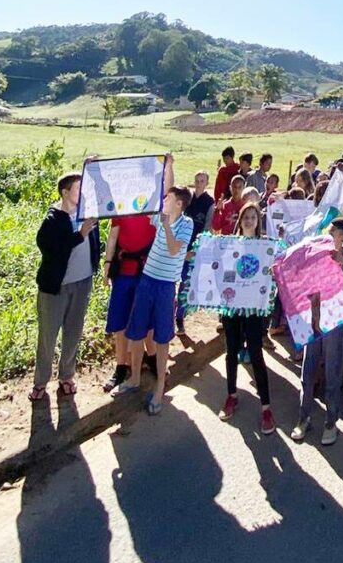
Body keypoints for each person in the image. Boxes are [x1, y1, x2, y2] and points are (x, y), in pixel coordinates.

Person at [118, 160, 193, 415]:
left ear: (179, 204)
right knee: (136, 332)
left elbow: (174, 250)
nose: (165, 200)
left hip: (165, 288)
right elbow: (166, 186)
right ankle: (136, 377)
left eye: (169, 199)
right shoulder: (160, 215)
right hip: (147, 280)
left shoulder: (186, 223)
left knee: (162, 338)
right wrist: (169, 164)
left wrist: (168, 225)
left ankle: (160, 386)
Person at [30, 171, 100, 401]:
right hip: (56, 288)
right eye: (78, 189)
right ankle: (41, 382)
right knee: (48, 336)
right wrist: (79, 235)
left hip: (82, 283)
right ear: (65, 192)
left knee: (73, 332)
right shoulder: (53, 219)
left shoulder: (88, 214)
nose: (83, 193)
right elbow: (51, 249)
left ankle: (67, 376)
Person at [291, 218, 343, 447]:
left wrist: (342, 262)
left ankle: (331, 421)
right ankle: (303, 417)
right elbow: (299, 278)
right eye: (330, 232)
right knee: (308, 371)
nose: (329, 236)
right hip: (312, 319)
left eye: (335, 234)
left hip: (333, 324)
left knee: (333, 372)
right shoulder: (314, 255)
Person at [217, 202, 276, 434]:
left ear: (258, 221)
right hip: (232, 308)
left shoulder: (265, 247)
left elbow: (272, 272)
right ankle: (231, 395)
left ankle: (266, 407)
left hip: (252, 308)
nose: (249, 220)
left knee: (256, 353)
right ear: (239, 221)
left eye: (253, 217)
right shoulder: (230, 245)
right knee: (231, 352)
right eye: (245, 217)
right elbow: (221, 271)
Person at [102, 213, 157, 391]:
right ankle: (121, 367)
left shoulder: (154, 204)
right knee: (121, 322)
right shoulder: (122, 205)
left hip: (146, 269)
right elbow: (113, 235)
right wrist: (107, 263)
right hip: (124, 270)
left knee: (146, 322)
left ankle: (153, 358)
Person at [176, 171, 214, 335]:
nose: (199, 183)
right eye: (197, 180)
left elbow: (207, 226)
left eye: (202, 181)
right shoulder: (188, 199)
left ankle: (180, 316)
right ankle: (176, 314)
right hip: (180, 244)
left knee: (187, 282)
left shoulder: (209, 203)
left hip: (194, 247)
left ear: (206, 183)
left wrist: (198, 247)